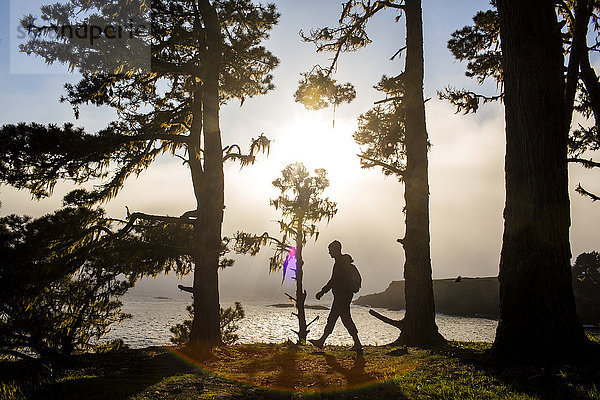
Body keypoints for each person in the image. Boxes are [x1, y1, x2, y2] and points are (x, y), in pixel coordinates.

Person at [309, 240, 362, 351]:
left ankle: (357, 344)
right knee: (337, 318)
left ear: (336, 250)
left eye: (330, 250)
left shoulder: (340, 263)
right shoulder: (341, 262)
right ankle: (322, 341)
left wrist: (322, 292)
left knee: (343, 319)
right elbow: (334, 280)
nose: (329, 253)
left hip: (342, 296)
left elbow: (333, 280)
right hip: (342, 296)